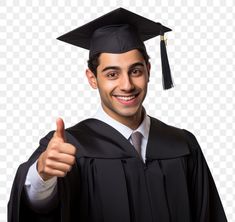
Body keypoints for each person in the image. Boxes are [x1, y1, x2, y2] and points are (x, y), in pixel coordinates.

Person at [8, 7, 227, 222]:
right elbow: (37, 207)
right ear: (92, 79)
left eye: (136, 71)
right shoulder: (70, 146)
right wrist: (43, 176)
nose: (127, 85)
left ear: (148, 71)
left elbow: (208, 213)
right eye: (112, 74)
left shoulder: (183, 144)